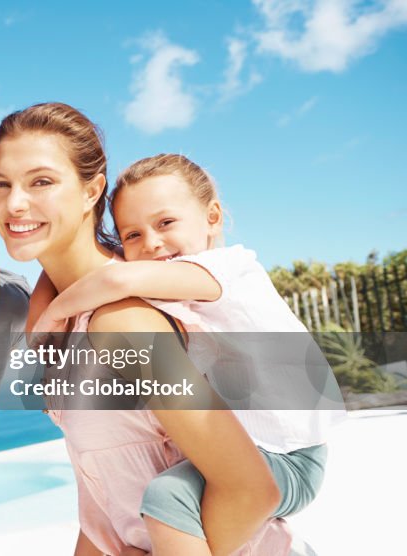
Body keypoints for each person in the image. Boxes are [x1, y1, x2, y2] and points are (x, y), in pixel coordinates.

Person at [0, 102, 291, 555]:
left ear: (92, 190)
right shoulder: (60, 319)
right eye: (0, 185)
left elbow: (253, 490)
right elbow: (104, 510)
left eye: (42, 181)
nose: (14, 203)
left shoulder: (123, 321)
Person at [30, 152, 343, 554]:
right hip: (266, 450)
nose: (152, 243)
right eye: (133, 235)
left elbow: (114, 275)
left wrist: (54, 313)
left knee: (168, 499)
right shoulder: (178, 288)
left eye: (165, 223)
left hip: (290, 454)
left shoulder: (230, 269)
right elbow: (65, 270)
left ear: (212, 217)